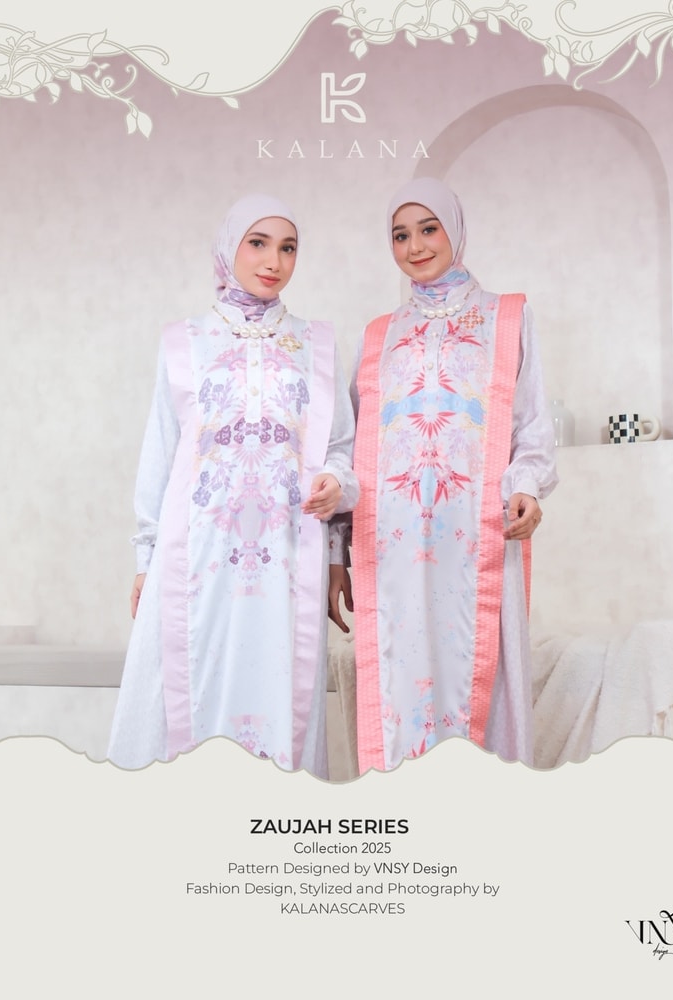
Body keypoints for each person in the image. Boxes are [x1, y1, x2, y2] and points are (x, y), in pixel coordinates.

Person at [108, 193, 359, 778]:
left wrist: (335, 503)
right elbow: (162, 452)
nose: (274, 261)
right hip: (196, 553)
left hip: (286, 556)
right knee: (188, 685)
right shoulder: (184, 341)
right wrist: (146, 558)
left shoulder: (316, 345)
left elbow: (340, 448)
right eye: (258, 243)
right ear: (229, 248)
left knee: (277, 693)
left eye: (288, 248)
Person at [329, 177, 557, 773]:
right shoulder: (379, 335)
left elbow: (532, 425)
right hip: (394, 547)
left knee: (483, 672)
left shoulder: (506, 317)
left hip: (479, 537)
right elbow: (351, 451)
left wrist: (526, 488)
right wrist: (337, 552)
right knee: (401, 680)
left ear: (454, 230)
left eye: (428, 229)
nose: (415, 247)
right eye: (400, 235)